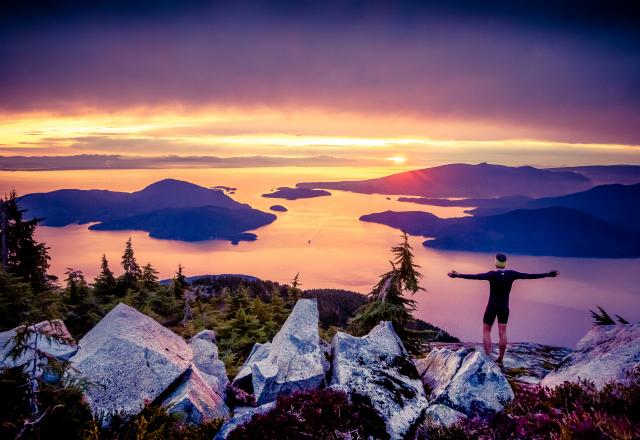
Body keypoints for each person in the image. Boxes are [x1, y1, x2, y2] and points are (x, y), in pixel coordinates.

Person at [448, 253, 558, 365]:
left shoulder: (492, 275)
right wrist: (548, 274)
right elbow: (529, 276)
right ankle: (500, 358)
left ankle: (488, 356)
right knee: (503, 333)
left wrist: (458, 275)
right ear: (504, 263)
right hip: (504, 308)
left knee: (486, 331)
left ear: (496, 262)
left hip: (491, 307)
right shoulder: (511, 274)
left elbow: (476, 276)